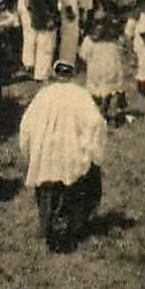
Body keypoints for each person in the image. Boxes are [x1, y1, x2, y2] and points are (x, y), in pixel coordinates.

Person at [18, 60, 107, 253]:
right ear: (72, 75)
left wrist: (29, 151)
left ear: (54, 74)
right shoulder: (80, 95)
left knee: (47, 189)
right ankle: (72, 227)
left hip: (46, 155)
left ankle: (49, 227)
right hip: (70, 154)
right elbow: (95, 123)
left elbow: (26, 125)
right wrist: (93, 152)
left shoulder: (43, 96)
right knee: (74, 187)